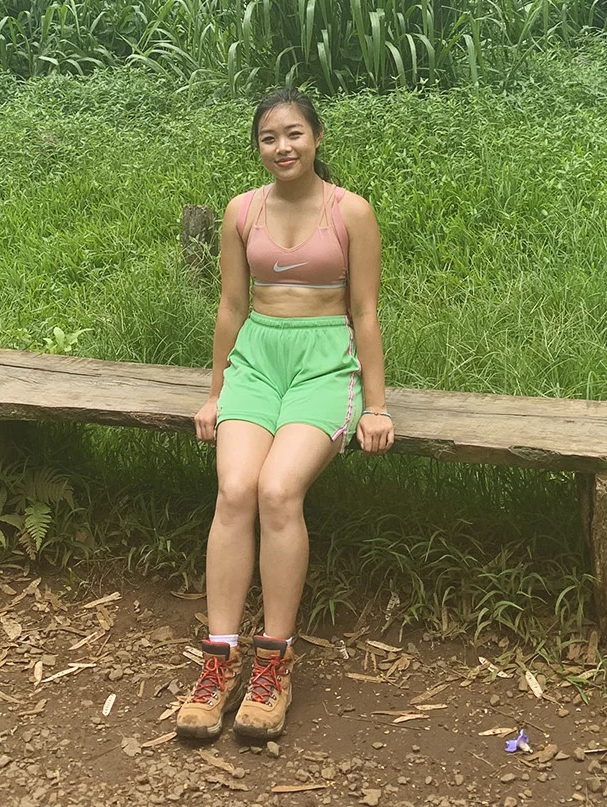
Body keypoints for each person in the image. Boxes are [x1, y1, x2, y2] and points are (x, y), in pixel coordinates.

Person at [175, 88, 395, 744]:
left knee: (277, 490)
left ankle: (273, 662)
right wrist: (217, 392)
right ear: (259, 146)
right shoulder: (242, 211)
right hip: (256, 364)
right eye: (269, 137)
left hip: (324, 365)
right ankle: (218, 662)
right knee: (236, 489)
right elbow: (231, 307)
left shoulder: (349, 210)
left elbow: (366, 312)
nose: (283, 146)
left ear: (318, 137)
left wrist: (377, 405)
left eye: (294, 133)